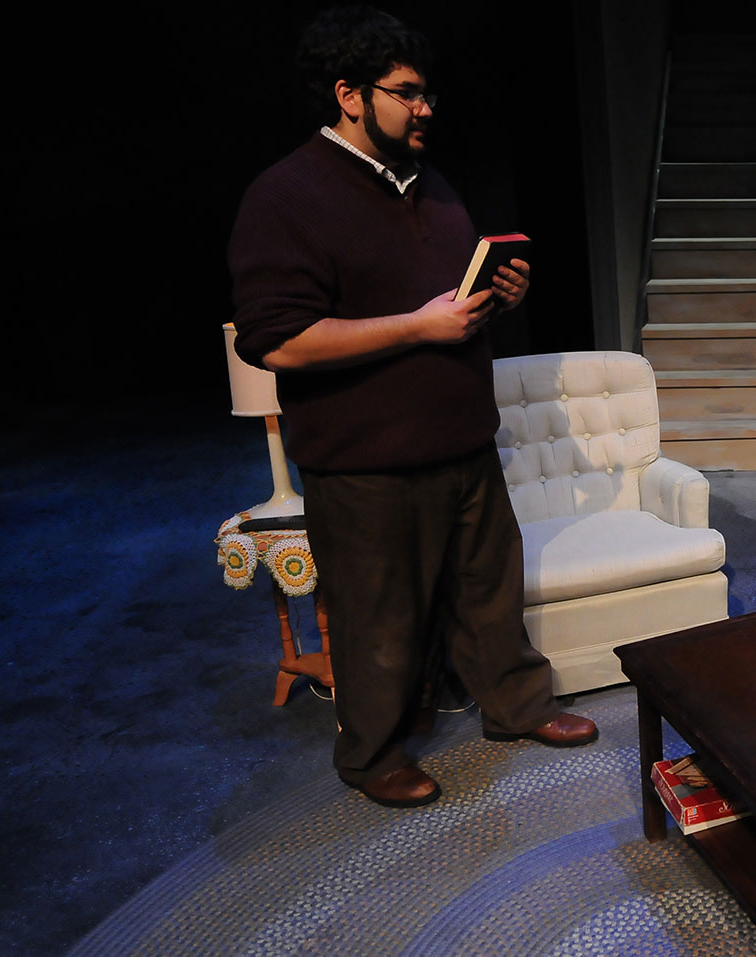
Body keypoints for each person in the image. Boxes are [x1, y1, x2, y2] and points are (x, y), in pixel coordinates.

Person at [227, 6, 596, 810]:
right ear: (349, 95)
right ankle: (373, 751)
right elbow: (277, 340)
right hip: (365, 460)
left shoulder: (430, 183)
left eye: (428, 93)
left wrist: (497, 294)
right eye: (408, 93)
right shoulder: (286, 194)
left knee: (489, 593)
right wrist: (417, 326)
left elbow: (443, 300)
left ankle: (517, 704)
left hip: (461, 440)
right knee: (379, 617)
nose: (426, 107)